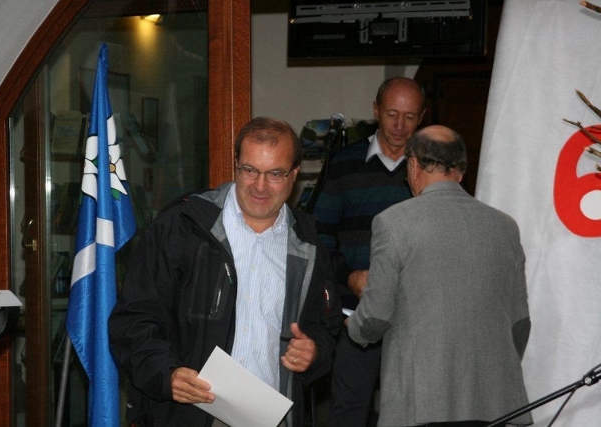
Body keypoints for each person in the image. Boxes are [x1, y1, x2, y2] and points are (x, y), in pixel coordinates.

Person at [108, 117, 342, 427]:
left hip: (272, 416)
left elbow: (326, 328)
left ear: (294, 173)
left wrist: (315, 353)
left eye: (275, 174)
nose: (260, 186)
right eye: (250, 170)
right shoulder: (183, 226)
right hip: (190, 414)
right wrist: (166, 374)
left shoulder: (308, 244)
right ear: (235, 164)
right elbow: (134, 319)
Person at [346, 125, 533, 427]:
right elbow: (520, 324)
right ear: (461, 171)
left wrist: (354, 327)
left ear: (413, 165)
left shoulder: (393, 223)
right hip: (497, 404)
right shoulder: (505, 226)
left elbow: (375, 317)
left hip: (421, 406)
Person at [312, 77, 426, 426]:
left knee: (413, 414)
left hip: (415, 318)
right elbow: (318, 236)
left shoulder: (431, 169)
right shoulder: (345, 164)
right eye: (392, 114)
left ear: (421, 118)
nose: (400, 125)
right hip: (354, 314)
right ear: (376, 111)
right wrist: (349, 277)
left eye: (410, 116)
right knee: (349, 411)